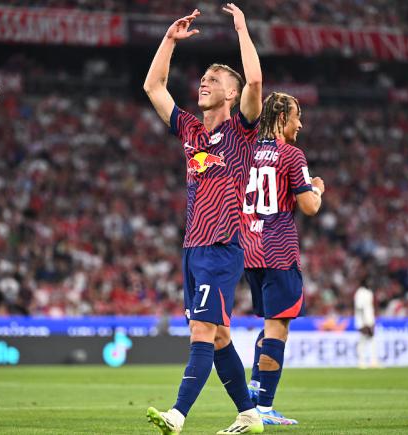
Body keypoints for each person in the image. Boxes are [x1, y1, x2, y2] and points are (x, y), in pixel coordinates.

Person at [142, 4, 263, 434]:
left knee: (200, 330)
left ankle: (177, 416)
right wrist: (169, 40)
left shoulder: (241, 131)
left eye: (215, 80)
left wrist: (242, 28)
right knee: (219, 337)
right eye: (203, 78)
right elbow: (153, 85)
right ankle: (249, 414)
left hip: (222, 245)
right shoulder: (191, 130)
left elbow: (254, 80)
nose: (205, 83)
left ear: (231, 95)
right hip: (192, 248)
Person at [241, 92, 324, 425]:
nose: (300, 123)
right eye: (296, 116)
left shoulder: (245, 152)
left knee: (269, 324)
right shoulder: (291, 155)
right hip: (278, 249)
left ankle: (256, 389)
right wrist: (316, 187)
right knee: (279, 328)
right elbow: (310, 207)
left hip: (250, 249)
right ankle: (263, 408)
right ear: (281, 118)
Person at [354, 277, 379, 369]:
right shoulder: (361, 293)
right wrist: (365, 322)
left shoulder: (368, 292)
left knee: (370, 340)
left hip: (369, 320)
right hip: (363, 321)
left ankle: (372, 361)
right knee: (363, 341)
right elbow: (360, 307)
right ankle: (362, 362)